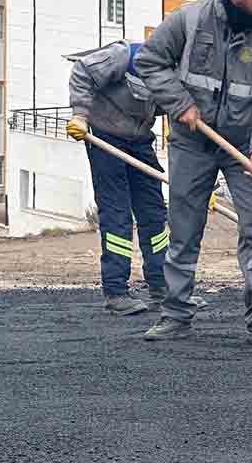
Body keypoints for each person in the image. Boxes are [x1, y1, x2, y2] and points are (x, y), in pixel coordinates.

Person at [133, 0, 252, 345]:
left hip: (242, 146)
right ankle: (175, 313)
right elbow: (150, 62)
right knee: (184, 229)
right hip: (192, 142)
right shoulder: (189, 20)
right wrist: (179, 103)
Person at [65, 41, 209, 315]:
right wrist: (80, 116)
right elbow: (82, 72)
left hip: (139, 140)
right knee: (117, 214)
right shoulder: (125, 56)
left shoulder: (178, 78)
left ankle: (163, 285)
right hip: (103, 136)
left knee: (154, 213)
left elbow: (183, 123)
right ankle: (116, 291)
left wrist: (199, 177)